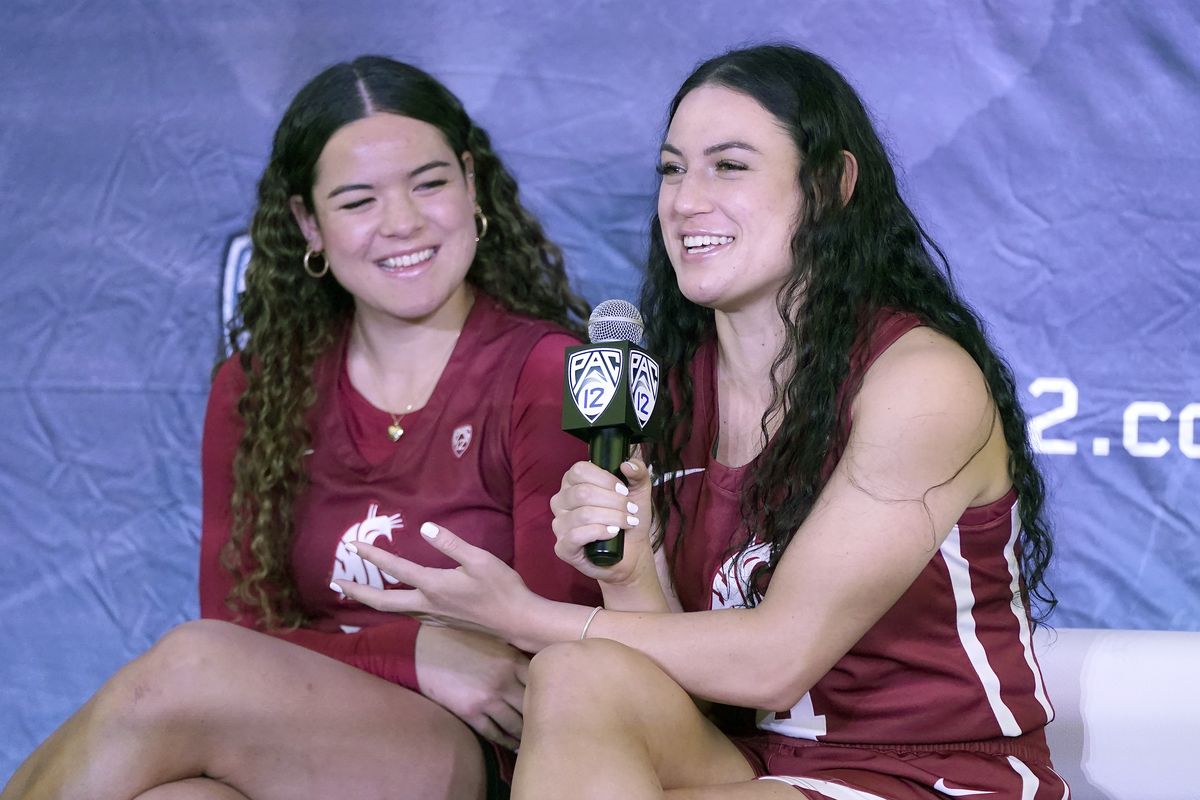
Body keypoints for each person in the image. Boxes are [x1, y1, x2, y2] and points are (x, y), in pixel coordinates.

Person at [335, 44, 1069, 799]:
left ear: (829, 186)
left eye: (729, 166)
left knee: (566, 653)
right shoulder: (672, 391)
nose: (685, 201)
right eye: (672, 169)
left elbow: (775, 660)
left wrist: (524, 615)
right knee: (580, 675)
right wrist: (628, 575)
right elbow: (696, 687)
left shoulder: (920, 383)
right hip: (751, 764)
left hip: (928, 774)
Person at [2, 55, 599, 800]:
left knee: (191, 664)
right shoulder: (256, 388)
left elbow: (563, 644)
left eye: (430, 182)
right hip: (304, 729)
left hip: (485, 748)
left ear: (472, 185)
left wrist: (428, 667)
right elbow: (242, 630)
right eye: (357, 202)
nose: (403, 222)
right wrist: (415, 652)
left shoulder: (549, 373)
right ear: (308, 225)